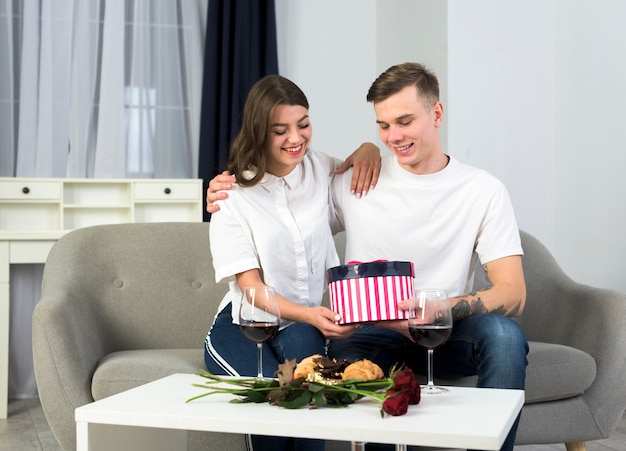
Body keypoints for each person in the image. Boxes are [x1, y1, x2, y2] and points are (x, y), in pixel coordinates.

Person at [206, 63, 528, 451]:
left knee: (505, 337)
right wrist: (227, 188)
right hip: (366, 334)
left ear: (437, 113)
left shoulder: (482, 190)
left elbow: (514, 293)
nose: (394, 136)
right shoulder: (352, 180)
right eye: (383, 126)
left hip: (441, 333)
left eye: (405, 121)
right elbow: (282, 211)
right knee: (320, 378)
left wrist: (441, 309)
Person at [205, 74, 379, 451]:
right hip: (244, 322)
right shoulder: (230, 197)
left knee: (306, 392)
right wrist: (310, 314)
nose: (296, 139)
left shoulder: (321, 170)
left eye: (303, 125)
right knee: (272, 395)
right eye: (280, 130)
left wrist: (369, 146)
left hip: (300, 324)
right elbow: (251, 288)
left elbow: (365, 172)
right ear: (258, 133)